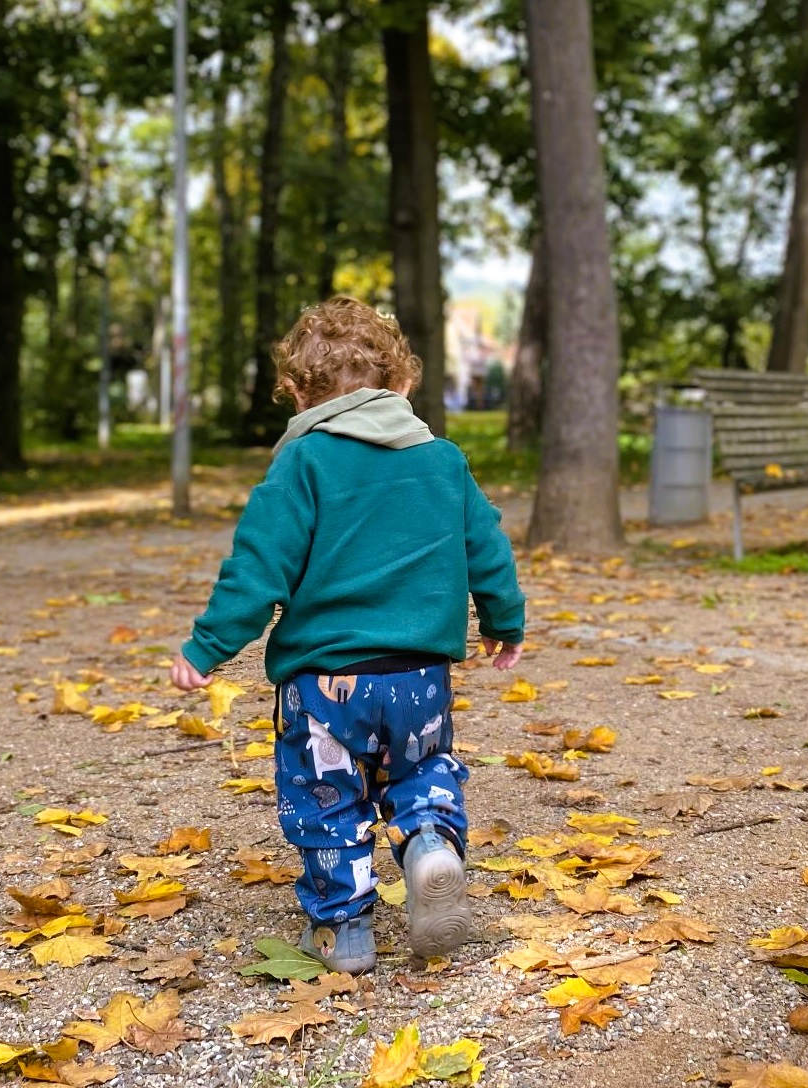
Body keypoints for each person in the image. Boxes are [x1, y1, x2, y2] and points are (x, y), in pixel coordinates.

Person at [169, 296, 525, 975]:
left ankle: (343, 932)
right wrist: (503, 623)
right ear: (404, 385)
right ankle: (428, 844)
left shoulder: (303, 464)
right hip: (420, 678)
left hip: (323, 683)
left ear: (298, 393)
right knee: (422, 772)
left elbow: (257, 569)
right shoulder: (443, 461)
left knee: (325, 798)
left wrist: (206, 648)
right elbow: (489, 550)